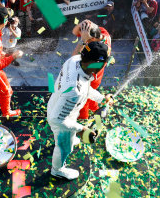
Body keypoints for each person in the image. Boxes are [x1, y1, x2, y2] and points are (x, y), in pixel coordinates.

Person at [47, 41, 113, 180]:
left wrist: (101, 98)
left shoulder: (76, 60)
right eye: (103, 64)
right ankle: (57, 170)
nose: (104, 67)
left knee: (67, 138)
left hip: (57, 103)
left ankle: (68, 138)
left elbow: (86, 88)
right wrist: (82, 129)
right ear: (96, 64)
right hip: (62, 120)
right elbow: (56, 119)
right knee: (65, 148)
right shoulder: (75, 91)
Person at [71, 20, 112, 119]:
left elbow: (73, 60)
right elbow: (74, 31)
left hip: (91, 78)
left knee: (83, 99)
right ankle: (95, 109)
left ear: (93, 39)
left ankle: (84, 118)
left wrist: (83, 41)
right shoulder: (103, 33)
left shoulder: (94, 50)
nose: (86, 41)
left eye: (87, 40)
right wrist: (84, 23)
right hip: (97, 77)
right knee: (93, 96)